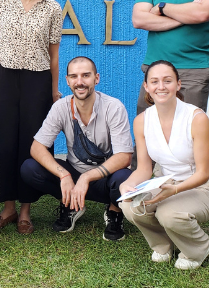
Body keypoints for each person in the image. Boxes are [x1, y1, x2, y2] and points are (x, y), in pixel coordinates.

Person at [0, 0, 64, 235]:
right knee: (5, 144)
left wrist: (54, 91)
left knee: (33, 145)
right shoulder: (1, 2)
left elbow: (54, 55)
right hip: (5, 78)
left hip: (38, 81)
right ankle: (8, 207)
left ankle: (26, 211)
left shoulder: (53, 8)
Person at [119, 60, 209, 270]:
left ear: (178, 84)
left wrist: (174, 190)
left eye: (168, 81)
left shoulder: (197, 118)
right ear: (146, 87)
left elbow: (203, 173)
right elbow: (144, 169)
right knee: (129, 206)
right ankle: (163, 245)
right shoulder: (141, 120)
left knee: (169, 214)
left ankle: (198, 248)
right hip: (165, 182)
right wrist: (126, 186)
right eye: (154, 81)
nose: (161, 86)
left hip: (201, 187)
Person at [20, 57, 134, 239]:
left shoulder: (114, 107)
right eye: (74, 76)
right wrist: (64, 175)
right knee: (30, 168)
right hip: (74, 175)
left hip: (105, 179)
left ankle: (114, 213)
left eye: (85, 75)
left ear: (96, 78)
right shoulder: (61, 107)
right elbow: (37, 147)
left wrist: (87, 178)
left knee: (125, 178)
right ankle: (72, 205)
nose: (79, 82)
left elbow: (124, 157)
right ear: (67, 81)